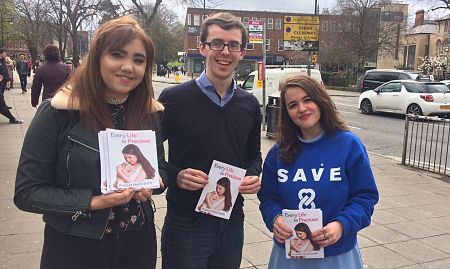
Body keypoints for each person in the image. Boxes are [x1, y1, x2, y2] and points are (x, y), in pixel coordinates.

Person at [14, 15, 167, 269]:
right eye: (117, 55)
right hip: (75, 247)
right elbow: (27, 192)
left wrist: (153, 183)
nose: (128, 67)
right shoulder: (58, 112)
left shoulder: (148, 114)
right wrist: (93, 202)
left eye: (138, 60)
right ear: (97, 58)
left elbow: (159, 169)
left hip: (137, 243)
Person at [158, 12, 262, 269]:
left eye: (233, 45)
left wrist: (252, 175)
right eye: (217, 43)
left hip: (231, 221)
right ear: (202, 48)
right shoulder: (173, 99)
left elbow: (253, 154)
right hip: (186, 223)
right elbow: (149, 156)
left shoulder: (249, 104)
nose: (224, 52)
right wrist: (176, 175)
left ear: (243, 52)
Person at [258, 74, 379, 269]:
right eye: (293, 105)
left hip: (337, 255)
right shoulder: (278, 153)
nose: (302, 109)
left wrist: (341, 225)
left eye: (307, 100)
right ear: (287, 112)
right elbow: (268, 198)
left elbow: (365, 197)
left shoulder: (349, 145)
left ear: (320, 100)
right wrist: (275, 219)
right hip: (289, 255)